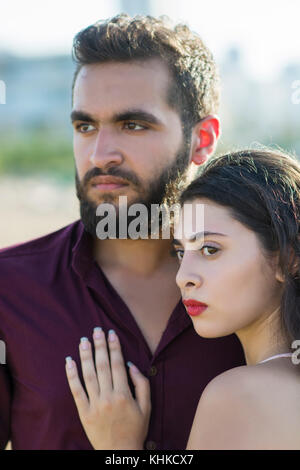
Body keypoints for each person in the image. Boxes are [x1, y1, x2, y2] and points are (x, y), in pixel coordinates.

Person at [0, 14, 245, 450]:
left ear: (202, 139)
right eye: (85, 126)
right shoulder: (9, 290)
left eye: (133, 125)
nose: (100, 153)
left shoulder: (266, 291)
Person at [65, 148, 300, 450]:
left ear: (288, 258)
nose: (183, 276)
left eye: (210, 250)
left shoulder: (238, 395)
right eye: (180, 252)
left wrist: (119, 449)